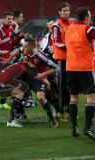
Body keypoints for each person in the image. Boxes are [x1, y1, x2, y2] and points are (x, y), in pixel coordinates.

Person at [6, 38, 60, 128]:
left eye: (25, 47)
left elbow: (56, 68)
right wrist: (9, 58)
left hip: (39, 79)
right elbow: (18, 50)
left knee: (41, 97)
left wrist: (43, 74)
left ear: (32, 47)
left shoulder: (41, 56)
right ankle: (13, 120)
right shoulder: (25, 50)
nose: (23, 49)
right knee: (17, 94)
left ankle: (52, 120)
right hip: (27, 77)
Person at [65, 7, 95, 139]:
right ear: (86, 18)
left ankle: (74, 127)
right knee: (91, 98)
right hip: (85, 68)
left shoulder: (68, 28)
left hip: (70, 67)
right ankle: (87, 128)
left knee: (74, 98)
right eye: (89, 15)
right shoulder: (89, 29)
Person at [51, 2, 74, 121]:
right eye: (64, 10)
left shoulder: (72, 22)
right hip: (61, 59)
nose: (66, 12)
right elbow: (55, 42)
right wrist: (68, 45)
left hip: (72, 59)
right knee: (61, 86)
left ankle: (68, 108)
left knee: (70, 85)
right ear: (59, 12)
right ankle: (60, 111)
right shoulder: (56, 25)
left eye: (67, 10)